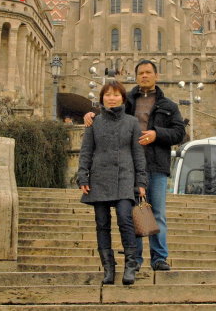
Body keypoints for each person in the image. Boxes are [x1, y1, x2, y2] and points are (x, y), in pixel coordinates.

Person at [85, 59, 185, 271]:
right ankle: (136, 259)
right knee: (133, 213)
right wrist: (91, 115)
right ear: (136, 76)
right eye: (141, 73)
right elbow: (109, 113)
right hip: (128, 166)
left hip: (156, 164)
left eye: (148, 72)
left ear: (156, 76)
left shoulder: (169, 106)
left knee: (156, 213)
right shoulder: (128, 100)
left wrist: (157, 134)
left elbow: (179, 133)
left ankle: (159, 257)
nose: (144, 76)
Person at [77, 80, 147, 285]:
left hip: (125, 176)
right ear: (102, 99)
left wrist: (141, 181)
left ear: (123, 98)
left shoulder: (132, 122)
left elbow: (138, 154)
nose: (112, 98)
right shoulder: (94, 122)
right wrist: (83, 176)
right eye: (107, 94)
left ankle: (130, 266)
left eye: (116, 94)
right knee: (102, 223)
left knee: (125, 218)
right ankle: (108, 268)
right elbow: (86, 151)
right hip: (99, 177)